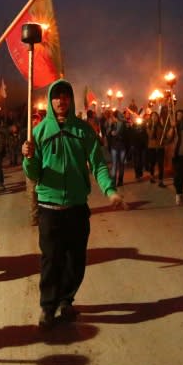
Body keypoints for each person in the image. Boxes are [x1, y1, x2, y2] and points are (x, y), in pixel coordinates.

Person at [22, 79, 127, 329]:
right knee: (51, 260)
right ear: (50, 100)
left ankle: (66, 301)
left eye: (65, 96)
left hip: (77, 209)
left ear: (70, 99)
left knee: (75, 261)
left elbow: (98, 164)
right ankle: (48, 307)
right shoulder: (38, 132)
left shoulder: (83, 130)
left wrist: (110, 191)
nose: (61, 101)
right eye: (56, 96)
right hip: (49, 209)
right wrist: (28, 157)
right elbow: (33, 173)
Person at [146, 111, 169, 187]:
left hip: (160, 147)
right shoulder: (148, 126)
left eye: (155, 116)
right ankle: (152, 177)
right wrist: (153, 126)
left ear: (158, 118)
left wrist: (164, 142)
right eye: (152, 116)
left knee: (160, 164)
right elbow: (151, 136)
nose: (154, 118)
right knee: (152, 163)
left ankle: (160, 181)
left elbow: (164, 135)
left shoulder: (161, 126)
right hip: (152, 147)